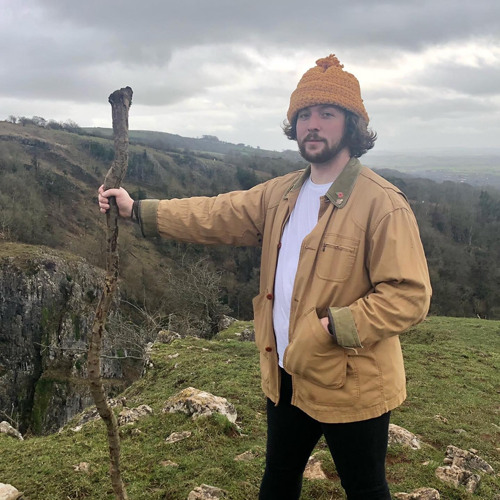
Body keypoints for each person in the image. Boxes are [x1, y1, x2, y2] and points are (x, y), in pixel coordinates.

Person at [98, 54, 432, 500]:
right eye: (304, 115)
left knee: (365, 487)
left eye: (327, 114)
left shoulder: (382, 203)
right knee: (278, 477)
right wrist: (139, 210)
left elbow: (409, 295)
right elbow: (215, 213)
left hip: (352, 379)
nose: (313, 125)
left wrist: (332, 327)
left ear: (352, 125)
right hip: (286, 370)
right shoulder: (282, 193)